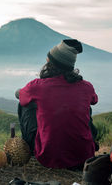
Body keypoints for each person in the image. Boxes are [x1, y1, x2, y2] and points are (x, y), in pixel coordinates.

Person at [16, 39, 98, 169]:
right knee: (85, 106)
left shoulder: (36, 87)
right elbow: (94, 100)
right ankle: (86, 143)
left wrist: (22, 93)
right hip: (84, 156)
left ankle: (29, 149)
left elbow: (21, 97)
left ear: (51, 63)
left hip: (49, 158)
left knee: (24, 105)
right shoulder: (86, 87)